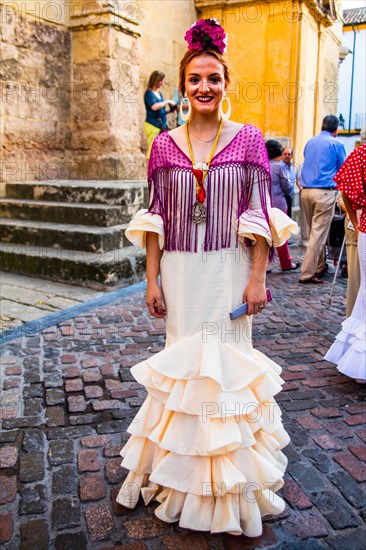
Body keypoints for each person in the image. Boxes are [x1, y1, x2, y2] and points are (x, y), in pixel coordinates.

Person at [117, 19, 298, 537]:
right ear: (182, 85)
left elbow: (259, 214)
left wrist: (258, 277)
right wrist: (151, 280)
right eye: (194, 79)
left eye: (213, 78)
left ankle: (229, 485)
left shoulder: (247, 140)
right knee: (181, 371)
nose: (204, 87)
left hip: (227, 270)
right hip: (179, 271)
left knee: (224, 368)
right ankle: (172, 474)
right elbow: (154, 221)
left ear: (225, 82)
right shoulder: (163, 146)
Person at [324, 136, 366, 383]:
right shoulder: (362, 155)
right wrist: (356, 219)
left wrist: (355, 219)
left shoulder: (361, 154)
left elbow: (346, 194)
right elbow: (346, 193)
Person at [299, 115, 346, 284]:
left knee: (312, 232)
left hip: (306, 192)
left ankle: (318, 266)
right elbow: (343, 170)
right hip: (324, 192)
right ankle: (307, 273)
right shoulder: (337, 144)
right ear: (336, 130)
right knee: (317, 235)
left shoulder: (310, 142)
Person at [266, 140, 300, 272]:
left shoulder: (260, 165)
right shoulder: (279, 167)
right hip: (279, 204)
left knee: (265, 235)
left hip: (264, 204)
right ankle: (286, 263)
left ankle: (265, 264)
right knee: (282, 234)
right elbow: (287, 187)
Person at [144, 71, 176, 159]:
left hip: (161, 125)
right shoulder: (149, 93)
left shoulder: (159, 93)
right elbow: (154, 107)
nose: (162, 83)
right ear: (155, 80)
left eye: (162, 81)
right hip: (152, 124)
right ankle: (150, 171)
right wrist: (167, 101)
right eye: (160, 81)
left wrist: (169, 111)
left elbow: (160, 111)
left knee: (162, 150)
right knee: (152, 149)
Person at [280, 147, 296, 218]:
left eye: (289, 154)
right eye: (285, 154)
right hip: (282, 197)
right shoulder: (279, 167)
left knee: (288, 217)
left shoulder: (292, 167)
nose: (287, 156)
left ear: (292, 156)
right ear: (281, 155)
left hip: (289, 197)